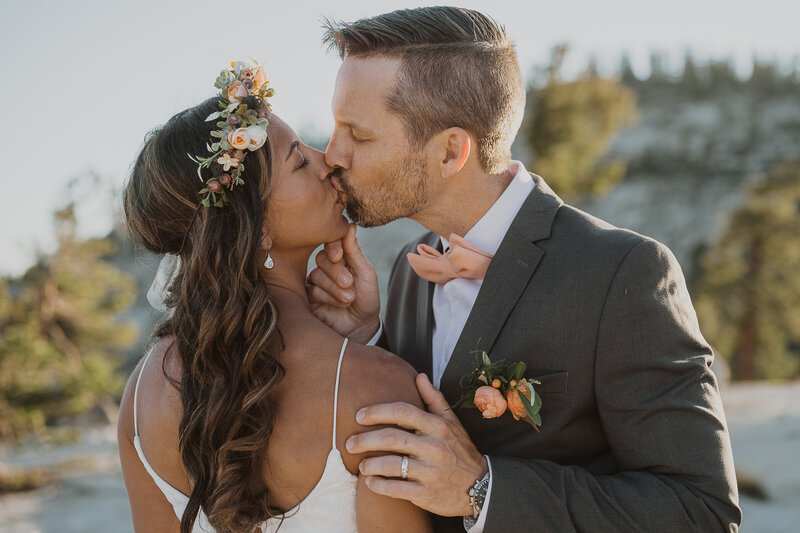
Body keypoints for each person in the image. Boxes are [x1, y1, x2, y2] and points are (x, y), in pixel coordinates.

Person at [307, 7, 742, 532]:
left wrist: (484, 489)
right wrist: (368, 337)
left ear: (450, 151)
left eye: (358, 134)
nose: (331, 154)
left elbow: (701, 511)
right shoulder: (409, 269)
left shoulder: (623, 273)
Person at [117, 60, 432, 533]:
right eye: (300, 162)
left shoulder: (140, 399)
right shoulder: (376, 390)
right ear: (257, 228)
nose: (328, 161)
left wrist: (361, 337)